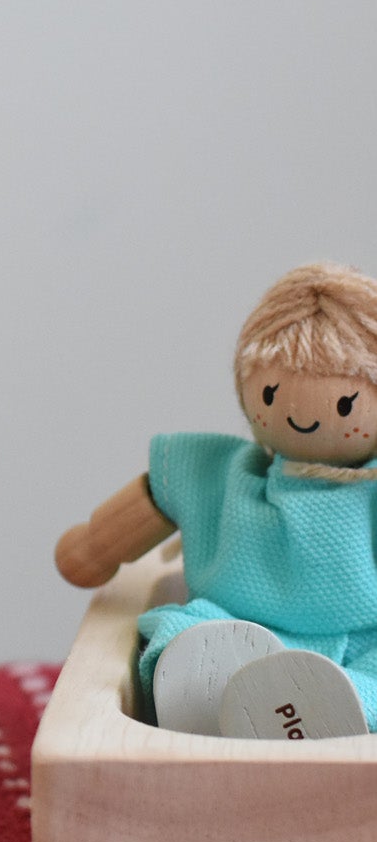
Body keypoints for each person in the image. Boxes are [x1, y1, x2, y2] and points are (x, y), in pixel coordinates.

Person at [56, 261, 377, 740]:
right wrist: (96, 548)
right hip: (235, 628)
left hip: (363, 643)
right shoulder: (216, 470)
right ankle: (212, 693)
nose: (302, 418)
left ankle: (338, 705)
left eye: (344, 406)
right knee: (184, 631)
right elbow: (141, 510)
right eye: (270, 392)